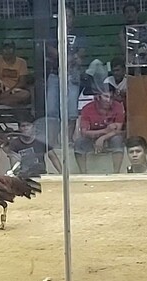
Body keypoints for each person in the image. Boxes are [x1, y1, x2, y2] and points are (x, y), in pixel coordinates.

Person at [46, 3, 86, 142]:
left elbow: (81, 53)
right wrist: (65, 56)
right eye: (64, 16)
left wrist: (73, 58)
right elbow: (50, 50)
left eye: (69, 16)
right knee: (52, 110)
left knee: (71, 111)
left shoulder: (79, 33)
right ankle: (53, 140)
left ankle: (68, 140)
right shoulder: (53, 33)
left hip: (72, 74)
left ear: (73, 18)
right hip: (55, 73)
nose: (67, 19)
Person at [74, 90, 126, 174]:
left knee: (117, 139)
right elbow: (84, 132)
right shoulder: (87, 109)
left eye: (111, 97)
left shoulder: (118, 106)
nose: (109, 100)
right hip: (92, 137)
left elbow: (118, 130)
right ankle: (83, 174)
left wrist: (102, 138)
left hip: (110, 137)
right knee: (79, 142)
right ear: (98, 97)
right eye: (106, 96)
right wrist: (104, 131)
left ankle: (116, 173)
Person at [0, 39, 30, 106]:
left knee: (26, 94)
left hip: (13, 90)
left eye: (10, 48)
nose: (7, 51)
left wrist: (8, 92)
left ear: (14, 50)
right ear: (1, 50)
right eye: (5, 49)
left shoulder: (21, 62)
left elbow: (22, 82)